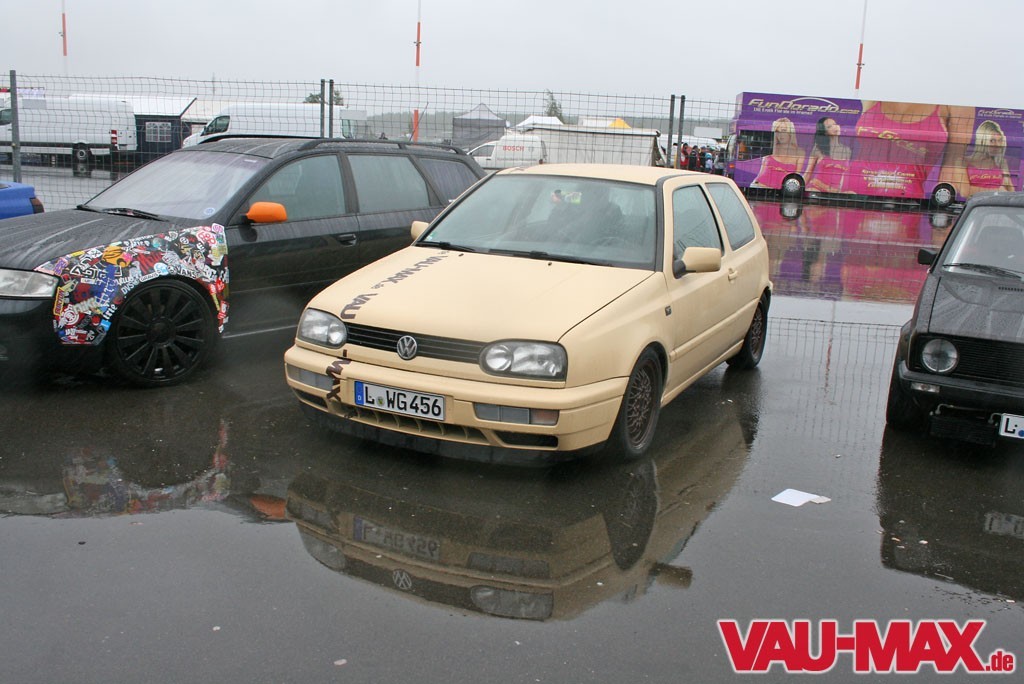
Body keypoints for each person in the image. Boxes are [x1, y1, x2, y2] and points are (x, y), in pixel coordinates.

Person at [848, 100, 975, 199]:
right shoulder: (875, 90)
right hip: (853, 192)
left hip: (907, 201)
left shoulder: (954, 102)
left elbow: (953, 171)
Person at [751, 118, 806, 190]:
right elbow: (761, 173)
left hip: (782, 190)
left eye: (784, 131)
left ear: (790, 132)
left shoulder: (800, 153)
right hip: (760, 186)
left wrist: (784, 172)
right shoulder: (770, 148)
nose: (781, 135)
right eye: (777, 131)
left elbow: (797, 177)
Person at [964, 120, 1015, 195]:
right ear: (982, 141)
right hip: (975, 201)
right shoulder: (964, 162)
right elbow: (965, 191)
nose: (997, 145)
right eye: (992, 141)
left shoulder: (1001, 163)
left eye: (999, 140)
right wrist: (997, 191)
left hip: (997, 201)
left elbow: (1010, 190)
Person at [803, 116, 853, 193]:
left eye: (835, 124)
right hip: (817, 187)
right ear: (825, 132)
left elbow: (844, 176)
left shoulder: (847, 150)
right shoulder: (818, 149)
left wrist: (839, 192)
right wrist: (798, 189)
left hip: (834, 191)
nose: (834, 127)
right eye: (829, 126)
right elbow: (808, 173)